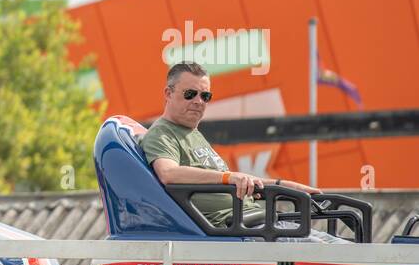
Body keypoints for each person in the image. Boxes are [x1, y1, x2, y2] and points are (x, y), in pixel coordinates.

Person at [140, 62, 345, 243]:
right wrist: (229, 177)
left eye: (205, 96)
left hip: (256, 221)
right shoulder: (162, 134)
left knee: (344, 247)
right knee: (341, 256)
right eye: (190, 94)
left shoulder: (193, 134)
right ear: (168, 93)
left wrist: (282, 185)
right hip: (239, 230)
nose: (199, 101)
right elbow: (168, 173)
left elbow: (238, 182)